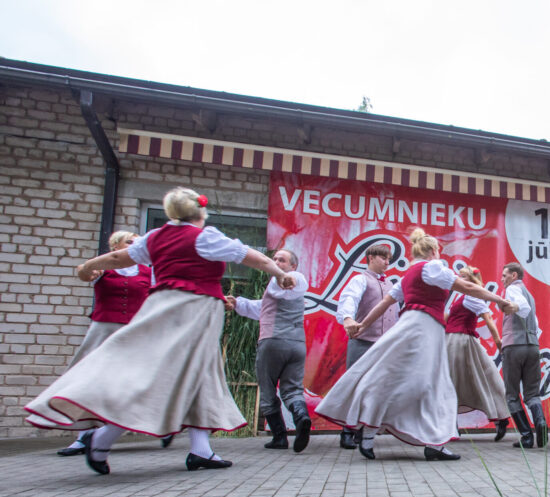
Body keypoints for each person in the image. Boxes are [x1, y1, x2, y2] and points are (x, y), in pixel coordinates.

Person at [26, 187, 296, 474]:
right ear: (200, 213)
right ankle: (102, 439)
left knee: (199, 373)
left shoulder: (155, 237)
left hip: (163, 307)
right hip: (192, 310)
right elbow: (249, 256)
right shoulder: (204, 237)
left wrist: (88, 265)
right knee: (165, 375)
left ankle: (200, 450)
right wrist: (280, 274)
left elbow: (120, 258)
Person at [315, 228, 516, 461]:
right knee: (434, 385)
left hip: (410, 327)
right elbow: (468, 287)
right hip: (424, 329)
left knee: (393, 378)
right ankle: (431, 444)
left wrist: (362, 324)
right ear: (432, 251)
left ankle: (377, 434)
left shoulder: (408, 274)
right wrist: (501, 300)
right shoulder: (432, 268)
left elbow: (383, 304)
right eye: (438, 251)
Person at [56, 230, 154, 457]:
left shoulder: (148, 273)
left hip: (133, 334)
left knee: (127, 383)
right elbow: (84, 273)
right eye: (129, 241)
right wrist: (87, 270)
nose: (134, 245)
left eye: (138, 243)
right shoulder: (104, 268)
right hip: (104, 330)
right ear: (115, 246)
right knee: (91, 381)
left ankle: (111, 431)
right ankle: (83, 436)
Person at [225, 249, 311, 452]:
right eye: (274, 259)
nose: (276, 262)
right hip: (297, 345)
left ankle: (280, 437)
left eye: (282, 260)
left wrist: (285, 277)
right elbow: (262, 308)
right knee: (292, 390)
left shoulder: (289, 279)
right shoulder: (278, 286)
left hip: (272, 342)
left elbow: (297, 281)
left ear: (293, 266)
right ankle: (301, 418)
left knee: (267, 389)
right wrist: (238, 303)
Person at [333, 243, 400, 450]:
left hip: (384, 346)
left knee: (377, 388)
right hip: (362, 342)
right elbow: (348, 300)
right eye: (383, 258)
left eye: (389, 259)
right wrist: (347, 319)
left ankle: (365, 432)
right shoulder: (360, 279)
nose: (387, 262)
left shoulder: (392, 285)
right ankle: (347, 432)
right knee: (355, 386)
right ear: (370, 258)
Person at [444, 266, 511, 439]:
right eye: (460, 277)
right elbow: (448, 318)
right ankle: (452, 425)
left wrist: (498, 342)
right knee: (457, 382)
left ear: (472, 281)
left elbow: (488, 318)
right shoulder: (461, 296)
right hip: (453, 340)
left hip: (461, 341)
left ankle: (500, 417)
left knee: (457, 381)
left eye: (464, 277)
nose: (461, 279)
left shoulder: (472, 297)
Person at [499, 262, 546, 449]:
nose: (502, 279)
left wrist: (513, 307)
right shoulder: (531, 295)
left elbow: (523, 307)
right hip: (532, 346)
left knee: (511, 394)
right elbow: (534, 322)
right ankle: (540, 422)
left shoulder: (512, 290)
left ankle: (527, 436)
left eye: (505, 275)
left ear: (514, 276)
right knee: (532, 393)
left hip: (514, 346)